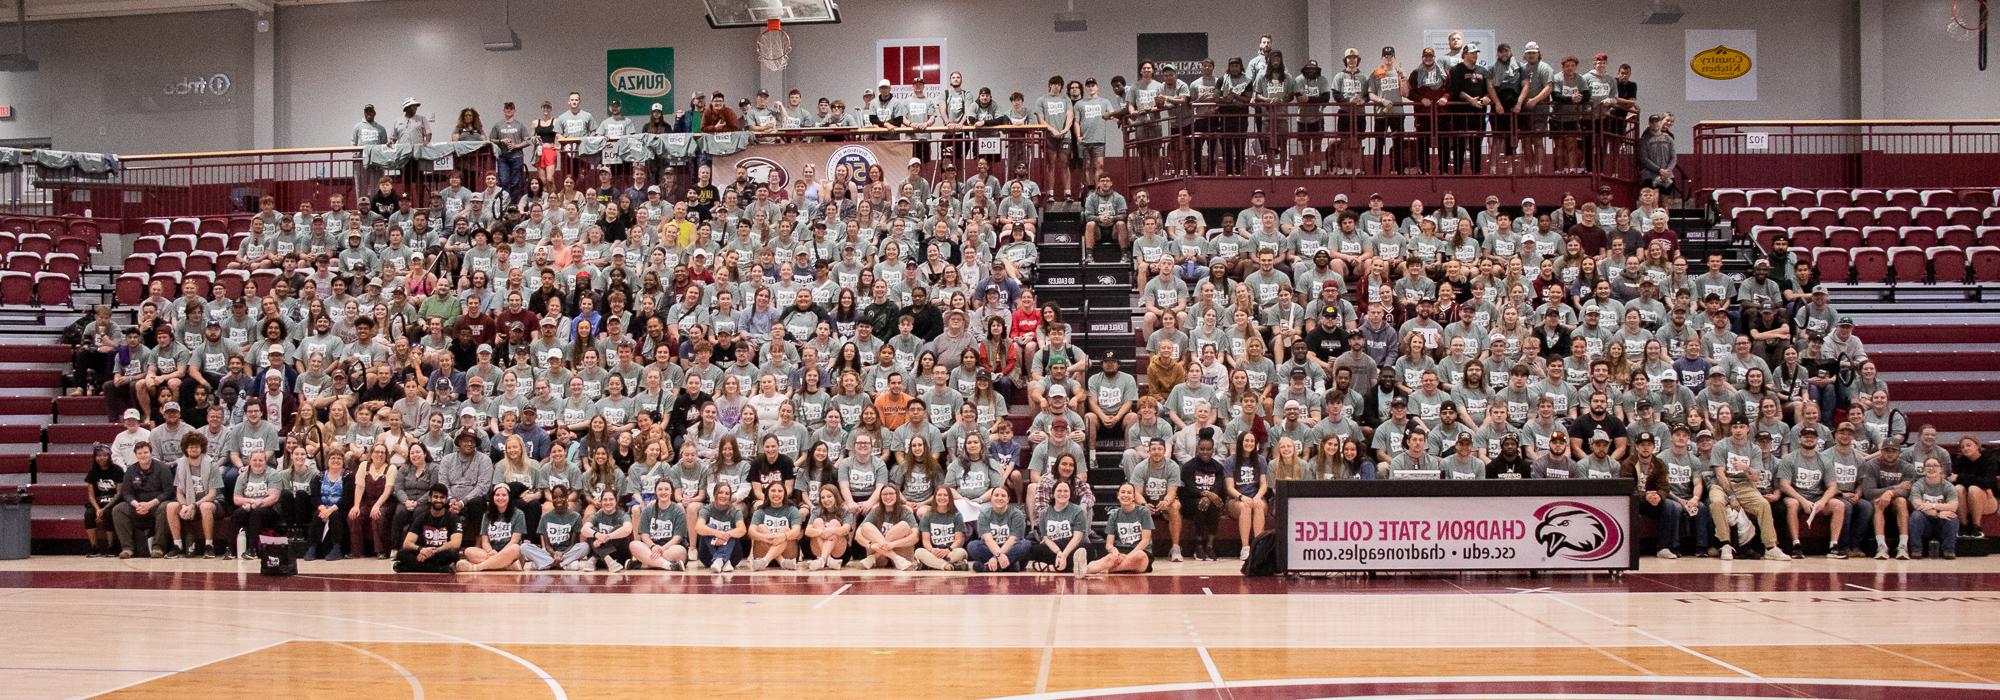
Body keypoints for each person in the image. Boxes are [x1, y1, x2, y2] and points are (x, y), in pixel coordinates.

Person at [112, 442, 173, 559]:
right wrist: (136, 504)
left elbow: (168, 492)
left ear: (151, 453)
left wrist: (150, 504)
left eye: (146, 452)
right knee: (118, 509)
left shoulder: (162, 468)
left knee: (166, 507)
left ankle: (158, 548)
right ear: (136, 455)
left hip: (156, 504)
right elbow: (126, 492)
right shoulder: (130, 470)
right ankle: (127, 548)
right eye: (139, 453)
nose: (143, 455)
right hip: (138, 505)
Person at [393, 484, 462, 573]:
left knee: (453, 554)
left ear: (446, 500)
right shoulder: (421, 517)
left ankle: (409, 567)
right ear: (429, 498)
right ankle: (441, 569)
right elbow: (407, 543)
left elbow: (456, 543)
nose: (438, 500)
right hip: (425, 551)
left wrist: (435, 551)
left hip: (442, 552)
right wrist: (421, 549)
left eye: (442, 497)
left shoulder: (453, 518)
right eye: (435, 497)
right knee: (401, 554)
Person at [458, 483, 526, 572]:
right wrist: (490, 551)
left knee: (516, 548)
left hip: (509, 551)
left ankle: (476, 567)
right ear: (493, 497)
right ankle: (507, 566)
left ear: (509, 497)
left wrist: (500, 555)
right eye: (497, 495)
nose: (500, 498)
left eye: (504, 495)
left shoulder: (519, 514)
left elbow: (514, 541)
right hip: (491, 551)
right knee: (468, 551)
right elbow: (485, 541)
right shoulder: (487, 515)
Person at [1090, 483, 1154, 574]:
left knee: (1139, 557)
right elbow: (1109, 544)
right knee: (1108, 558)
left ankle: (1109, 570)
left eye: (1129, 493)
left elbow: (1145, 540)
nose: (1125, 495)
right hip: (1121, 551)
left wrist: (1129, 557)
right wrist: (1114, 550)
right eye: (1123, 492)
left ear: (1133, 497)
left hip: (1140, 551)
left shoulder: (1144, 512)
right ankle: (1084, 569)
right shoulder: (1114, 515)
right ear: (1118, 495)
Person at [521, 484, 587, 571]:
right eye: (555, 497)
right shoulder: (545, 517)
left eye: (562, 497)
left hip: (566, 552)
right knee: (524, 547)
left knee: (585, 546)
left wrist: (562, 553)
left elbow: (572, 544)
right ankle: (560, 564)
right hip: (550, 553)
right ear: (552, 499)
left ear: (567, 497)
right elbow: (547, 546)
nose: (558, 500)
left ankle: (547, 563)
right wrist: (554, 554)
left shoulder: (575, 516)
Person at [1028, 480, 1089, 574]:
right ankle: (1070, 566)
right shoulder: (1044, 513)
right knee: (1035, 549)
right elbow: (1046, 538)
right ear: (1053, 494)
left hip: (1071, 545)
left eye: (1066, 491)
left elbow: (1077, 538)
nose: (1062, 494)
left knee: (1088, 549)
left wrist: (1064, 555)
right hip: (1054, 546)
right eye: (1059, 491)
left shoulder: (1078, 511)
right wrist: (1059, 553)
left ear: (1070, 494)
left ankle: (1052, 567)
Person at [853, 481, 918, 570]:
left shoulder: (905, 511)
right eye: (884, 494)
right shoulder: (876, 511)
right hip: (883, 560)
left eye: (891, 493)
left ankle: (873, 558)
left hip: (902, 554)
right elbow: (857, 535)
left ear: (897, 496)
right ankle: (895, 558)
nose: (888, 497)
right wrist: (870, 545)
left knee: (903, 525)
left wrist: (893, 544)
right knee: (866, 526)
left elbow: (915, 537)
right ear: (880, 497)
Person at [628, 480, 689, 571]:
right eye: (660, 489)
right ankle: (669, 565)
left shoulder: (678, 510)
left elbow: (677, 538)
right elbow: (644, 535)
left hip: (670, 548)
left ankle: (643, 564)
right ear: (656, 492)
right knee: (633, 544)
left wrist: (662, 549)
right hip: (652, 547)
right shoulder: (648, 510)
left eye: (666, 489)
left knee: (680, 550)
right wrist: (653, 546)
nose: (663, 492)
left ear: (671, 492)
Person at [1906, 458, 1960, 559]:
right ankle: (1916, 549)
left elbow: (1953, 506)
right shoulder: (1918, 485)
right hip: (1925, 522)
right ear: (1923, 469)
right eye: (1928, 465)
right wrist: (1938, 513)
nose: (1931, 468)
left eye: (1935, 465)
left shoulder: (1948, 486)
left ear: (1941, 469)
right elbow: (1917, 505)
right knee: (1916, 515)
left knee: (1952, 516)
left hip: (1942, 523)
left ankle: (1949, 550)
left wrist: (1932, 505)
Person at [970, 485, 1029, 572]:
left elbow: (1013, 540)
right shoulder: (984, 514)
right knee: (973, 546)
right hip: (992, 548)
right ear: (991, 498)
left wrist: (996, 557)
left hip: (1011, 548)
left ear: (1008, 499)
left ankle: (990, 567)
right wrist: (998, 555)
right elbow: (988, 539)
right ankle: (1009, 566)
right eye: (996, 495)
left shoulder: (1017, 514)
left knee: (1025, 544)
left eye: (1003, 496)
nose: (999, 498)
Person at [746, 481, 802, 571]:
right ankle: (781, 562)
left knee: (785, 529)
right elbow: (751, 532)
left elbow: (796, 531)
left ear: (784, 494)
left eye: (780, 491)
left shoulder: (792, 510)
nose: (776, 494)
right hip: (763, 551)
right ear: (767, 493)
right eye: (773, 491)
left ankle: (764, 561)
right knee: (761, 528)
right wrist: (765, 537)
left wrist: (783, 536)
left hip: (788, 553)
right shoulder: (760, 511)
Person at [694, 481, 747, 572]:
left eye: (727, 493)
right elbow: (698, 527)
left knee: (732, 531)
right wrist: (718, 534)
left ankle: (720, 560)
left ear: (730, 497)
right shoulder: (707, 509)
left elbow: (742, 530)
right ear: (715, 494)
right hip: (708, 557)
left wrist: (726, 534)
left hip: (733, 557)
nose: (724, 496)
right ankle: (724, 561)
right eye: (720, 492)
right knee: (710, 526)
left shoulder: (735, 512)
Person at [82, 444, 124, 557]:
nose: (101, 458)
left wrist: (104, 509)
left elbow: (119, 493)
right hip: (98, 503)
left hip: (112, 502)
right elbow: (91, 496)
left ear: (109, 456)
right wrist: (97, 509)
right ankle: (94, 547)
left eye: (104, 455)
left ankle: (110, 546)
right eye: (98, 455)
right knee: (89, 514)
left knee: (109, 513)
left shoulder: (118, 470)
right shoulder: (92, 472)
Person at [913, 488, 969, 571]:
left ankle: (930, 564)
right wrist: (932, 550)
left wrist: (948, 550)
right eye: (939, 495)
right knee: (918, 552)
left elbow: (959, 540)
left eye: (945, 495)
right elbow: (926, 541)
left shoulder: (957, 515)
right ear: (935, 497)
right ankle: (948, 565)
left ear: (950, 498)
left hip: (951, 552)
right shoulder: (927, 516)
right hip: (934, 552)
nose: (942, 497)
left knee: (962, 552)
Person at [803, 483, 854, 571]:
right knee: (817, 522)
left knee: (835, 523)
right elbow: (807, 531)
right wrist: (821, 531)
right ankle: (826, 559)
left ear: (836, 496)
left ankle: (823, 559)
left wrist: (831, 531)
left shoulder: (845, 511)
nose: (826, 500)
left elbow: (845, 530)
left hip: (840, 554)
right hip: (817, 551)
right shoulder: (817, 511)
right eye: (823, 498)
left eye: (829, 496)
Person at [582, 489, 633, 572]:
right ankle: (608, 559)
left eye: (611, 499)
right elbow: (584, 530)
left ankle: (595, 557)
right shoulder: (597, 515)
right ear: (601, 502)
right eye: (605, 500)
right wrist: (597, 535)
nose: (608, 502)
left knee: (618, 528)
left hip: (619, 556)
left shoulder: (623, 515)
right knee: (591, 531)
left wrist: (608, 537)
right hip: (604, 559)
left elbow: (628, 529)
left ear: (616, 501)